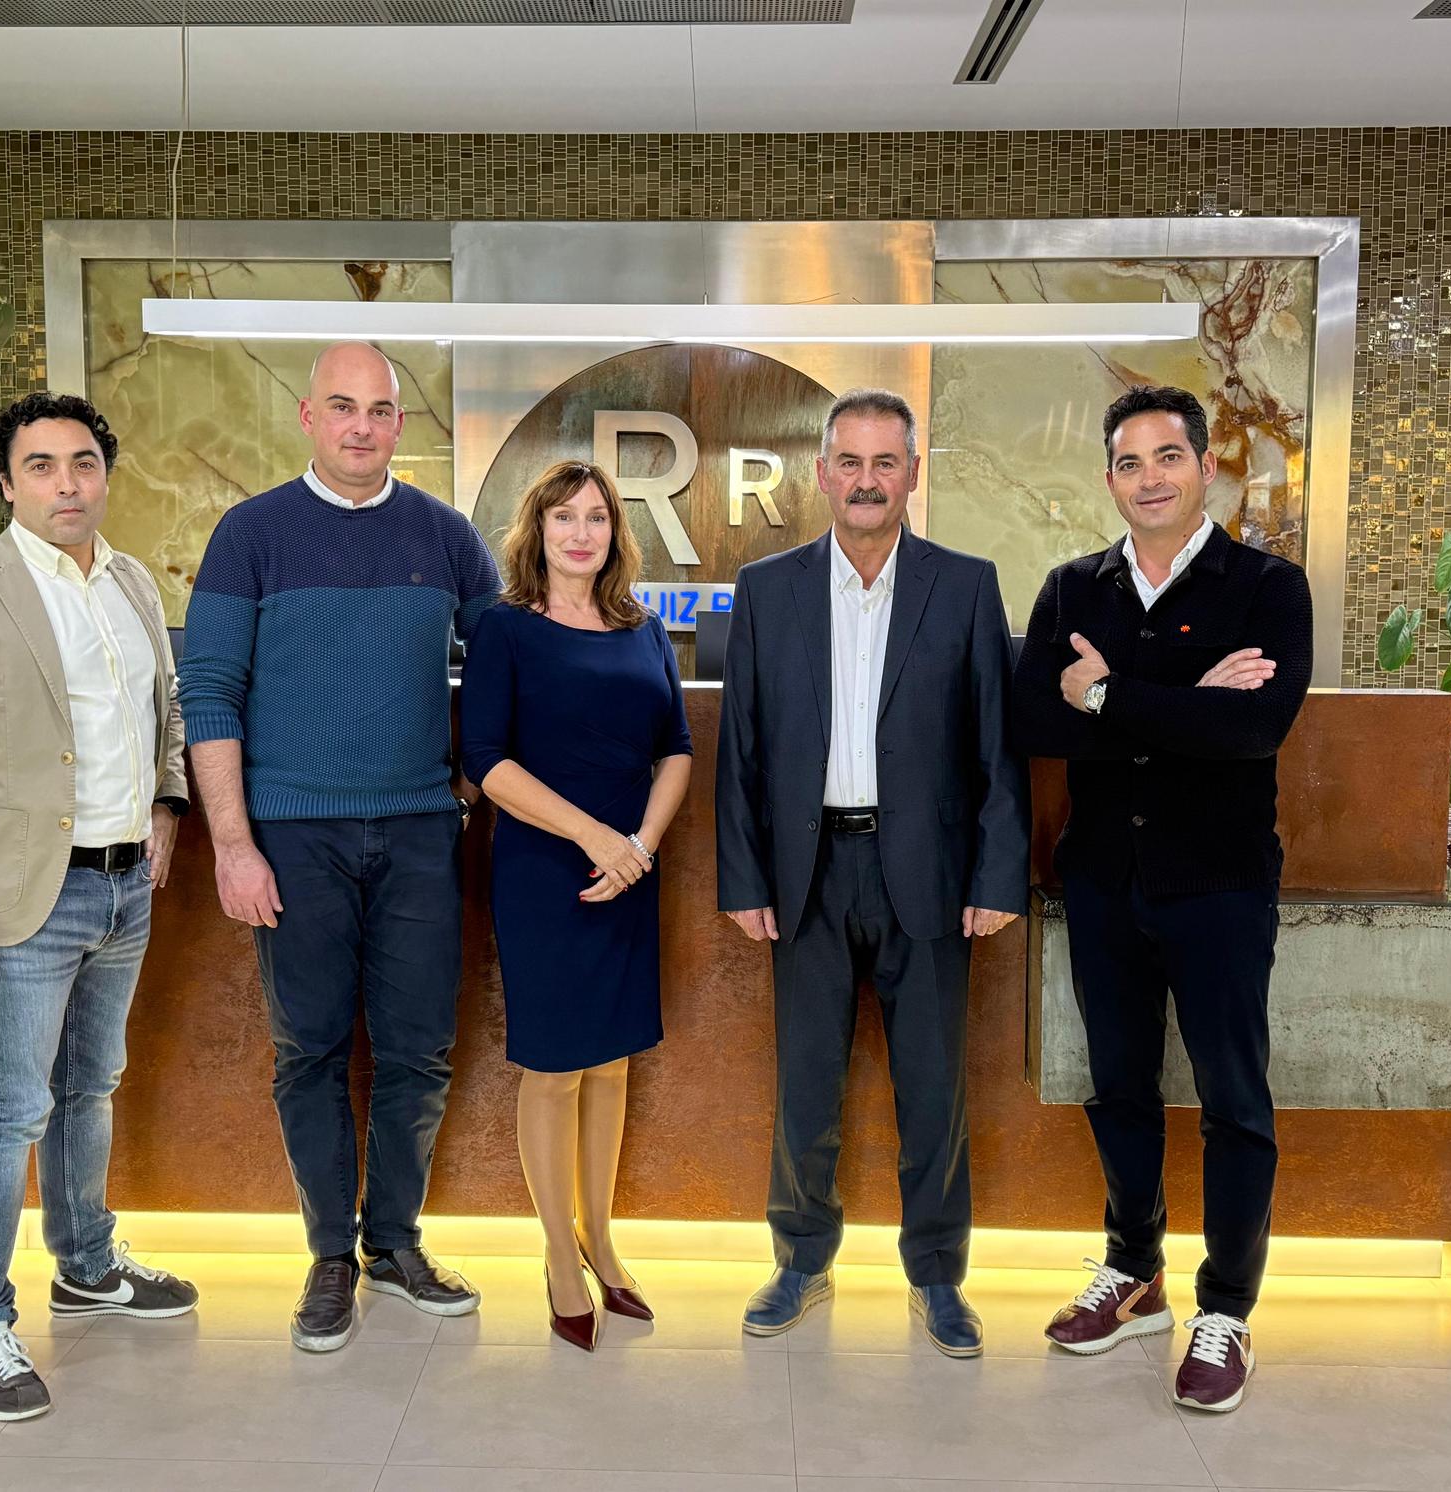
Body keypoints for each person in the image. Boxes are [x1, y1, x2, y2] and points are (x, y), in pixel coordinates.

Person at [0, 392, 197, 1422]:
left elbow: (164, 713)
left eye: (84, 463)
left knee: (90, 1085)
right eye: (43, 466)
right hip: (22, 896)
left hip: (124, 885)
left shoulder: (133, 582)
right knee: (10, 1109)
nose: (68, 483)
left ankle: (87, 1263)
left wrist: (165, 805)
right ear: (8, 484)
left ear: (105, 475)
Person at [179, 342, 499, 1352]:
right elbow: (208, 694)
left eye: (381, 409)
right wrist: (233, 844)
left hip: (418, 833)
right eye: (343, 406)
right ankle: (329, 1255)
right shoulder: (250, 535)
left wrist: (464, 781)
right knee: (308, 1049)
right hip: (292, 835)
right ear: (308, 417)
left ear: (401, 423)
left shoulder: (447, 536)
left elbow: (505, 671)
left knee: (419, 1050)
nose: (362, 426)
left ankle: (394, 1243)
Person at [1010, 384, 1313, 1413]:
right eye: (1130, 462)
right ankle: (1134, 1273)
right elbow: (1036, 723)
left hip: (1220, 885)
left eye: (1169, 457)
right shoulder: (1072, 588)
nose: (1150, 478)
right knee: (1120, 1087)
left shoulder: (1266, 587)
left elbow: (1252, 731)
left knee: (1235, 1100)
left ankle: (1225, 1310)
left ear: (1205, 467)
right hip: (1101, 880)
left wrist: (1106, 693)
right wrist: (1187, 702)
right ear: (1109, 479)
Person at [715, 388, 1029, 1359]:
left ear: (912, 474)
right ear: (821, 473)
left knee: (934, 1092)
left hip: (928, 873)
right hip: (806, 875)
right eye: (848, 462)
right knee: (805, 1088)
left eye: (884, 462)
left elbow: (998, 748)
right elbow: (741, 749)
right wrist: (744, 879)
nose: (865, 480)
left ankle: (937, 1276)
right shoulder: (767, 588)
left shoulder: (965, 586)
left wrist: (997, 877)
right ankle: (801, 1260)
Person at [459, 460, 693, 1351]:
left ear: (615, 532)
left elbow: (675, 749)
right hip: (546, 872)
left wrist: (639, 848)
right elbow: (486, 761)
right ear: (538, 531)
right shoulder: (505, 628)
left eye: (596, 517)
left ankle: (602, 1240)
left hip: (630, 870)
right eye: (564, 517)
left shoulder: (644, 628)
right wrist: (597, 838)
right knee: (555, 1069)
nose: (581, 532)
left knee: (613, 1065)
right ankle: (559, 1253)